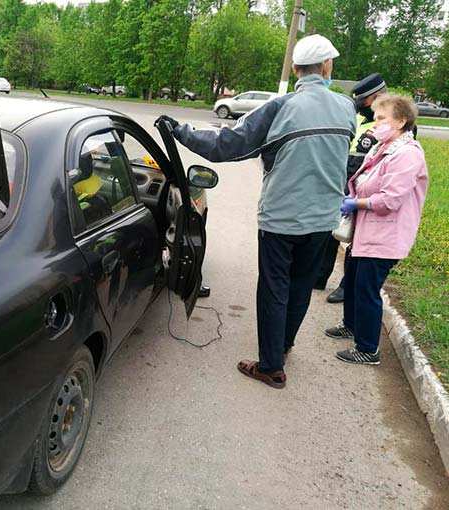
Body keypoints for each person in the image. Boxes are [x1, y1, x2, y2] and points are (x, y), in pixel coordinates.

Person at [157, 34, 356, 388]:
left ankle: (270, 366)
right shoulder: (346, 109)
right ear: (327, 67)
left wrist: (181, 132)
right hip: (324, 217)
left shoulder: (281, 108)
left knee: (274, 288)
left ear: (295, 69)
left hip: (282, 218)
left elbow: (228, 145)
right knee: (300, 286)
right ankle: (284, 343)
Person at [325, 94, 428, 365]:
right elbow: (363, 178)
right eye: (376, 117)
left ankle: (368, 348)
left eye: (382, 118)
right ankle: (351, 324)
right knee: (354, 279)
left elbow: (391, 199)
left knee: (367, 289)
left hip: (385, 235)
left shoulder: (407, 154)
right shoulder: (384, 147)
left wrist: (356, 202)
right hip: (366, 231)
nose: (376, 123)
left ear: (401, 121)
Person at [315, 74, 387, 303]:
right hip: (343, 181)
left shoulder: (391, 121)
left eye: (365, 100)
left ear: (377, 97)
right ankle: (319, 277)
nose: (361, 104)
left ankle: (347, 286)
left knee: (357, 238)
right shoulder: (356, 116)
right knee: (331, 230)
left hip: (369, 188)